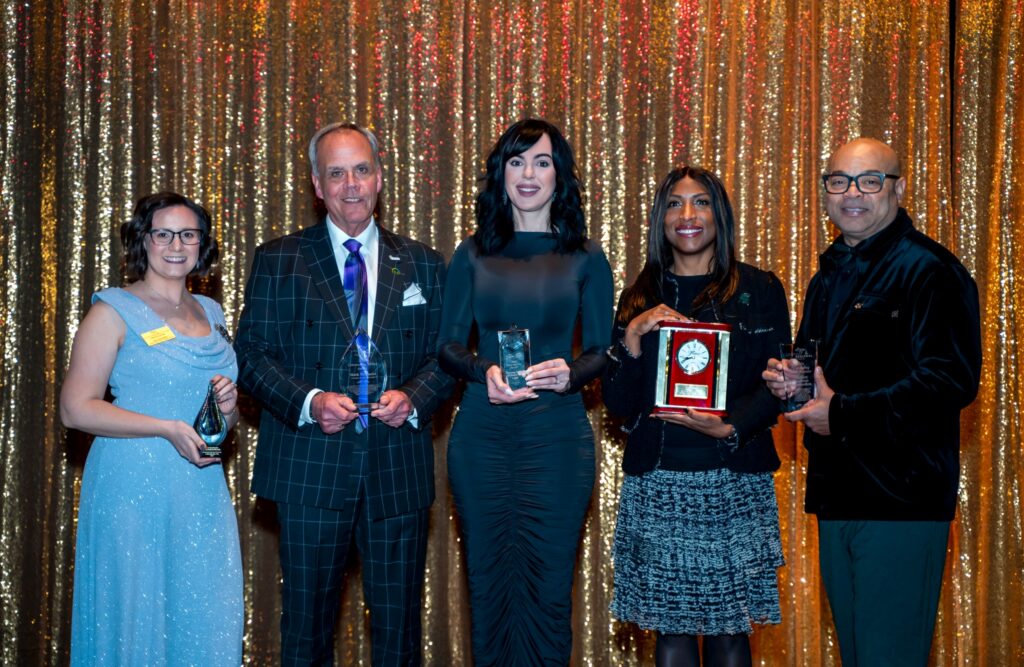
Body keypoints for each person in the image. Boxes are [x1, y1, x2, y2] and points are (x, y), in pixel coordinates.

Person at [234, 122, 451, 666]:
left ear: (380, 177)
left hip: (395, 468)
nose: (350, 184)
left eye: (361, 169)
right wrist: (309, 402)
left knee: (399, 635)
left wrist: (413, 396)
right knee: (306, 632)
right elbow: (251, 356)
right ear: (316, 183)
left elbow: (445, 357)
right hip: (310, 468)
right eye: (336, 173)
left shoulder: (422, 261)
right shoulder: (279, 259)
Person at [762, 137, 982, 666]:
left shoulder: (930, 270)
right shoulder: (828, 275)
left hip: (901, 500)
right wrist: (789, 379)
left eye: (869, 180)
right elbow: (819, 368)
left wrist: (840, 411)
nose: (851, 194)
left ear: (898, 188)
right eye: (838, 180)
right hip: (839, 495)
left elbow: (951, 379)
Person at [437, 118, 613, 664]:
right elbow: (447, 347)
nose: (529, 173)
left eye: (541, 161)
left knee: (547, 589)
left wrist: (572, 374)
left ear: (559, 174)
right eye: (516, 161)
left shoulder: (587, 257)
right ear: (501, 174)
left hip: (556, 439)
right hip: (482, 439)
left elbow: (604, 350)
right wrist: (482, 369)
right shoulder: (471, 254)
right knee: (489, 588)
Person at [602, 167, 789, 666]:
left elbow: (781, 384)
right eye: (674, 204)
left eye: (701, 202)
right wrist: (632, 338)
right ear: (660, 219)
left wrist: (731, 427)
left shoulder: (760, 288)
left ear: (719, 215)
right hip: (660, 481)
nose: (687, 215)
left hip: (734, 478)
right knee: (673, 633)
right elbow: (618, 406)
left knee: (731, 634)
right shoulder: (638, 296)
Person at [60, 192, 243, 665]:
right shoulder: (112, 311)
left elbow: (219, 418)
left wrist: (227, 408)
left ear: (202, 244)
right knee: (135, 612)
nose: (176, 245)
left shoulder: (214, 314)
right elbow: (75, 409)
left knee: (201, 609)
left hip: (199, 487)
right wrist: (165, 428)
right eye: (163, 233)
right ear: (144, 240)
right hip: (132, 486)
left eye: (188, 234)